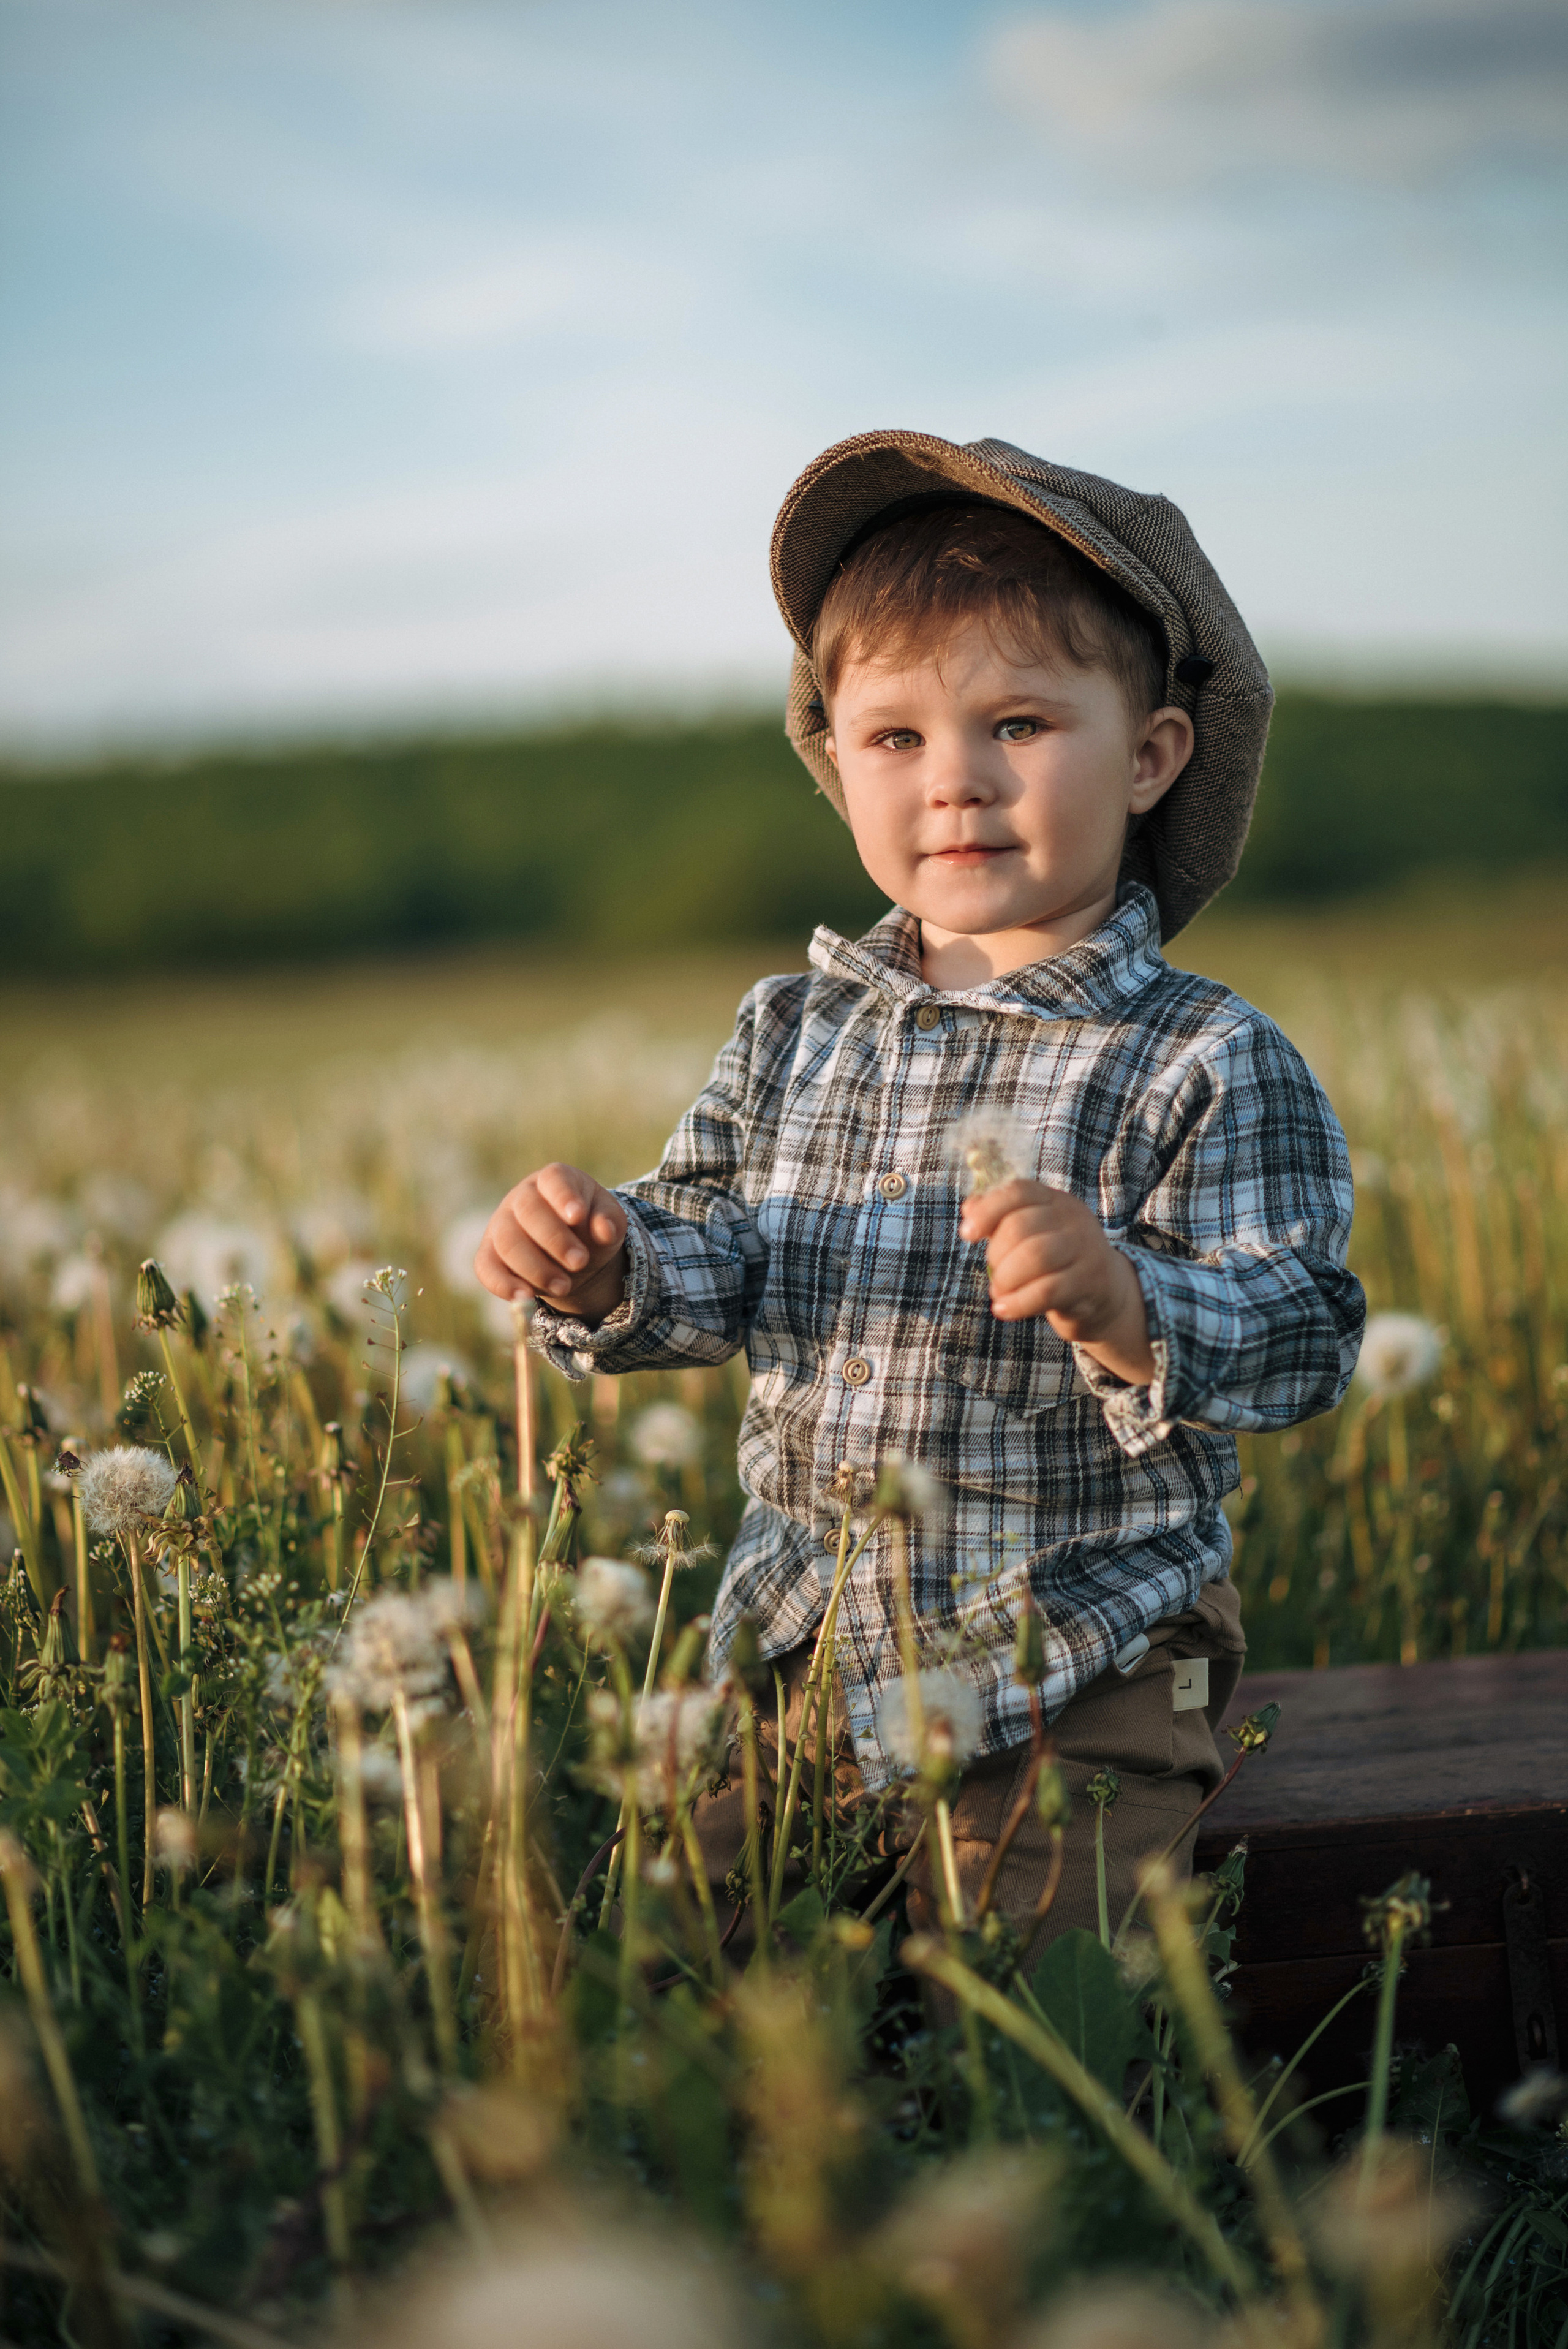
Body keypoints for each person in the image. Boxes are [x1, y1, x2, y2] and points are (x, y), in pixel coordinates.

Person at [475, 429, 1365, 1949]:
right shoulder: (791, 1026)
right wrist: (610, 1269)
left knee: (1038, 1988)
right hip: (803, 1644)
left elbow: (1303, 1335)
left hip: (1076, 1656)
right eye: (893, 739)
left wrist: (1128, 1303)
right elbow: (724, 1257)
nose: (951, 782)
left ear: (1150, 755)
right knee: (685, 1961)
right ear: (835, 765)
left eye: (1017, 723)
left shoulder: (1205, 1058)